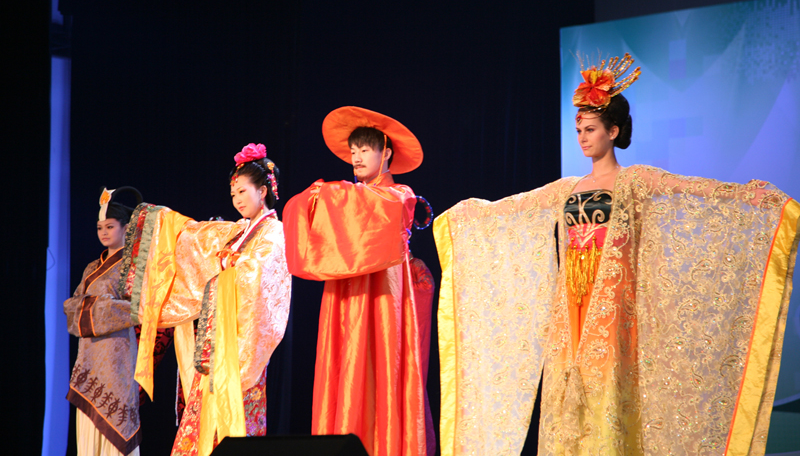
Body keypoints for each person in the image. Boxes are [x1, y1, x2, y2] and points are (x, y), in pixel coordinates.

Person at [434, 54, 799, 456]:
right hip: (570, 302)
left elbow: (689, 189)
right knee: (567, 386)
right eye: (578, 130)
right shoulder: (567, 187)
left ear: (613, 130)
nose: (582, 138)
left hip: (611, 302)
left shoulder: (634, 180)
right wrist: (468, 215)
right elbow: (514, 207)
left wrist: (747, 195)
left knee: (607, 388)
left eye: (590, 129)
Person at [120, 143, 291, 456]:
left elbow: (262, 279)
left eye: (243, 191)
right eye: (233, 194)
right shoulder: (238, 231)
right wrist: (164, 224)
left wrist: (229, 261)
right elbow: (199, 240)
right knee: (200, 423)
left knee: (233, 420)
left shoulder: (274, 233)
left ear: (263, 191)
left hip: (241, 345)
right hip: (215, 342)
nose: (237, 199)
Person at [283, 106, 430, 456]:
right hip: (347, 290)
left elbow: (368, 204)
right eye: (353, 152)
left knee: (383, 363)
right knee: (344, 365)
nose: (357, 158)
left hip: (384, 292)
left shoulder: (400, 194)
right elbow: (302, 207)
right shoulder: (350, 196)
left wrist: (326, 194)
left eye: (365, 150)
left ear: (386, 153)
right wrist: (321, 196)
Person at [65, 187, 144, 456]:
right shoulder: (91, 267)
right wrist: (102, 307)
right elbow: (71, 309)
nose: (104, 232)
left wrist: (92, 307)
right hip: (89, 353)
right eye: (100, 227)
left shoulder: (133, 266)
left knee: (115, 419)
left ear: (126, 228)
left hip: (118, 352)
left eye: (110, 226)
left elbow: (138, 307)